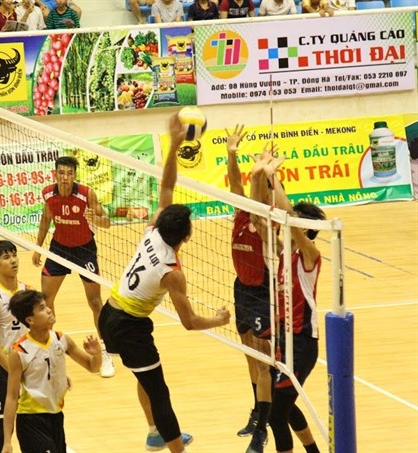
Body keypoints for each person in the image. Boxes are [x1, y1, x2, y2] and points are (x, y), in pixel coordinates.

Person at [97, 113, 231, 453]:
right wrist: (218, 319)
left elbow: (167, 186)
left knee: (145, 375)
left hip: (109, 315)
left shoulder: (154, 228)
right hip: (129, 326)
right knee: (159, 391)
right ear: (186, 235)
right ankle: (175, 447)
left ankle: (155, 431)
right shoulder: (173, 272)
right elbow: (189, 323)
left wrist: (173, 144)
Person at [248, 152, 325, 453]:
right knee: (287, 407)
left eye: (295, 221)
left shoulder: (310, 255)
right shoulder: (284, 252)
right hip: (285, 340)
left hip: (303, 342)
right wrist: (264, 177)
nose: (286, 222)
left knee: (276, 415)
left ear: (305, 228)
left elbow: (290, 217)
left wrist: (274, 178)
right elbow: (260, 218)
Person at [32, 155, 115, 378]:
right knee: (45, 299)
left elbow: (106, 222)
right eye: (61, 173)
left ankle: (105, 352)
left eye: (69, 174)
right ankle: (50, 350)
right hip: (59, 249)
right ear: (55, 174)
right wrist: (38, 246)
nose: (65, 178)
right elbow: (45, 219)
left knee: (95, 302)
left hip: (85, 249)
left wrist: (95, 219)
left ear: (75, 176)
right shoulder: (48, 193)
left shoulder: (86, 194)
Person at [1, 290, 102, 453]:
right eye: (41, 308)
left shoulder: (62, 339)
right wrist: (7, 441)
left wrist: (97, 354)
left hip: (56, 416)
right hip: (31, 421)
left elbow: (93, 367)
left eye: (46, 306)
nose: (49, 310)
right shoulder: (19, 351)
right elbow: (12, 397)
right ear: (30, 320)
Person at [224, 126, 273, 450]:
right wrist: (231, 152)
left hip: (262, 291)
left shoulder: (266, 221)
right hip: (241, 288)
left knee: (263, 356)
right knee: (248, 352)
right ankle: (257, 409)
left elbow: (258, 191)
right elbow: (239, 185)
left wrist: (261, 171)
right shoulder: (241, 212)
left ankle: (264, 425)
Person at [0, 240, 31, 453]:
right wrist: (14, 373)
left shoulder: (28, 291)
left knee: (29, 426)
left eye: (14, 255)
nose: (13, 260)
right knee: (4, 432)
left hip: (24, 363)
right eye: (6, 257)